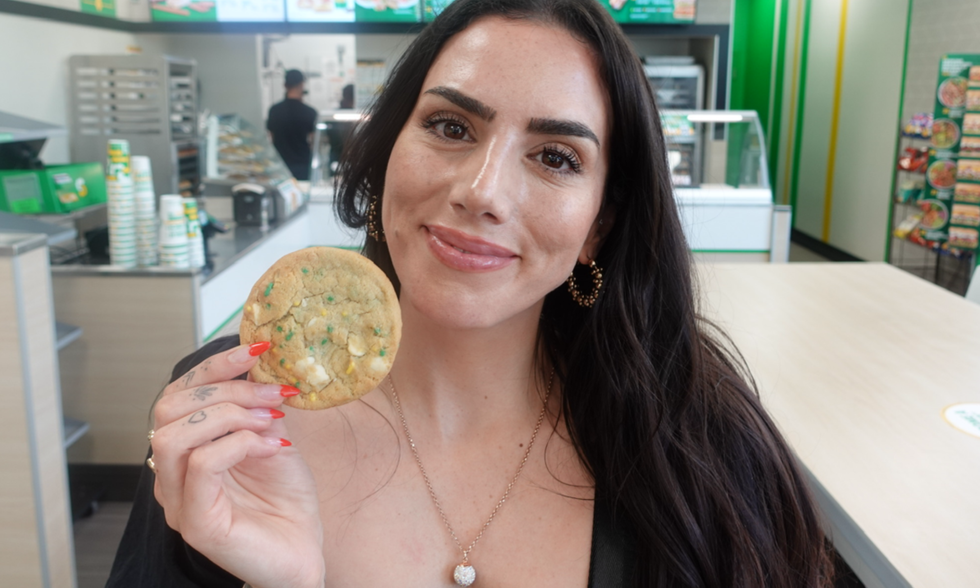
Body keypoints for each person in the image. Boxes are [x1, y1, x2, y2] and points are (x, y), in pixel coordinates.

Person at [107, 1, 834, 587]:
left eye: (555, 157)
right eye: (451, 126)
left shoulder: (697, 442)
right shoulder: (226, 420)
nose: (483, 191)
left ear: (598, 225)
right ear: (390, 150)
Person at [267, 69, 318, 181]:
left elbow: (271, 137)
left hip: (280, 164)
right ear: (301, 84)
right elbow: (314, 142)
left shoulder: (274, 110)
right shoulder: (310, 112)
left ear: (285, 85)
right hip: (303, 164)